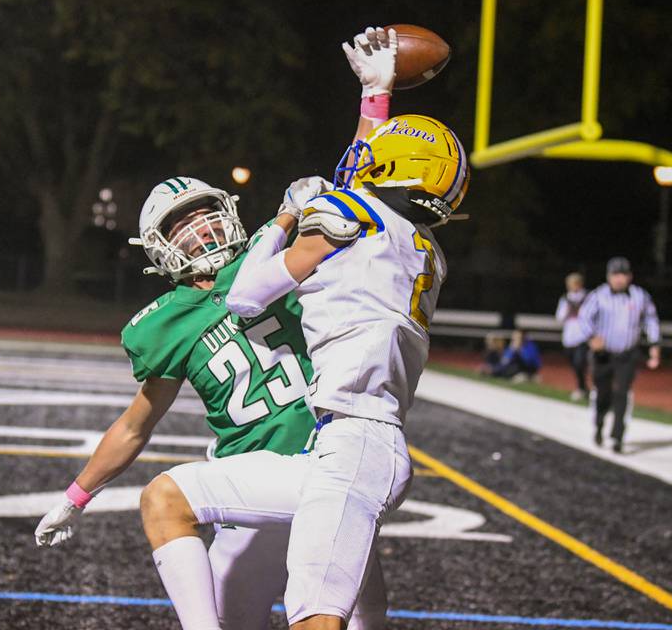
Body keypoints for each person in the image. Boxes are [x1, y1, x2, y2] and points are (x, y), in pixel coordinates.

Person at [33, 27, 403, 630]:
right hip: (251, 487)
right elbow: (135, 425)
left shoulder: (268, 257)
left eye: (205, 211)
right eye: (183, 223)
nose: (200, 227)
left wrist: (375, 99)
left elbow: (355, 188)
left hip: (327, 464)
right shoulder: (166, 322)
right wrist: (75, 496)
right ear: (158, 248)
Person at [128, 36, 469, 630]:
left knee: (317, 619)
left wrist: (286, 214)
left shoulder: (353, 218)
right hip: (337, 445)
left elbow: (243, 294)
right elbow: (354, 176)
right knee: (167, 498)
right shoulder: (420, 250)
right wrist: (375, 96)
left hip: (353, 447)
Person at [573, 256, 661, 453]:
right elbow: (584, 317)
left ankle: (617, 437)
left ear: (630, 276)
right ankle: (599, 423)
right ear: (609, 277)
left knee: (622, 393)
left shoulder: (640, 296)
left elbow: (651, 319)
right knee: (603, 393)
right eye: (615, 275)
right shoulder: (598, 295)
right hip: (603, 354)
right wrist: (592, 337)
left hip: (627, 353)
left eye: (623, 275)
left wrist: (654, 345)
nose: (619, 279)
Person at [555, 272, 589, 400]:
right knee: (574, 363)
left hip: (583, 336)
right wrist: (568, 310)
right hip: (569, 337)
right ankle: (583, 386)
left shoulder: (588, 297)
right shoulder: (565, 298)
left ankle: (582, 388)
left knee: (579, 362)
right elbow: (559, 317)